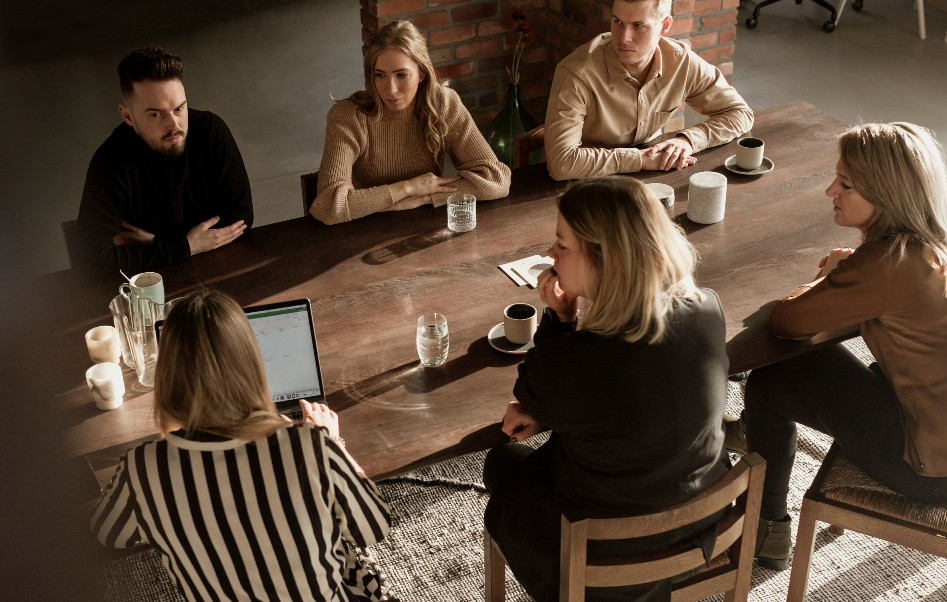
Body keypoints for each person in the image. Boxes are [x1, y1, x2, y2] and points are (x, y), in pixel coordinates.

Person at [725, 122, 947, 570]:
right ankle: (756, 443)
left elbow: (787, 323)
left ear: (886, 193)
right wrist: (855, 269)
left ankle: (766, 526)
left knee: (775, 374)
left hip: (933, 470)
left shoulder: (890, 263)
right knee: (795, 376)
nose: (830, 191)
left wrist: (828, 277)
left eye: (845, 184)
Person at [483, 177, 731, 602]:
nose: (549, 253)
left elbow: (534, 389)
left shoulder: (576, 360)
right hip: (702, 517)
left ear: (604, 257)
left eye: (562, 244)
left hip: (610, 550)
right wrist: (555, 402)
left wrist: (559, 320)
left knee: (503, 461)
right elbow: (630, 386)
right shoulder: (707, 307)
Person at [91, 290, 391, 602]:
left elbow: (108, 533)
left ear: (168, 377)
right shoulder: (308, 444)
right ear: (253, 365)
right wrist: (333, 444)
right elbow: (373, 526)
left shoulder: (143, 467)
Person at [75, 46, 253, 275]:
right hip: (151, 289)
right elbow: (93, 260)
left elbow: (241, 218)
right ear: (128, 116)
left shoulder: (210, 131)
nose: (174, 125)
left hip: (220, 272)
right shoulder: (109, 162)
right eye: (155, 114)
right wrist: (186, 246)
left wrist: (156, 241)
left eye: (179, 108)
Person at [311, 20, 510, 225]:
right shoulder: (348, 116)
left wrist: (425, 197)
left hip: (422, 227)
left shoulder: (444, 105)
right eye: (380, 75)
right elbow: (328, 207)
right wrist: (407, 188)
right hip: (362, 228)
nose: (391, 89)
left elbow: (497, 180)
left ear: (422, 73)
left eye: (401, 75)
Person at [543, 0, 754, 181]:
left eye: (638, 25)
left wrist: (688, 140)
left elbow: (740, 114)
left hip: (648, 180)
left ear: (665, 25)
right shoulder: (576, 74)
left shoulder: (681, 62)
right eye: (617, 22)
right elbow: (561, 163)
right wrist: (639, 159)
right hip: (578, 184)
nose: (623, 38)